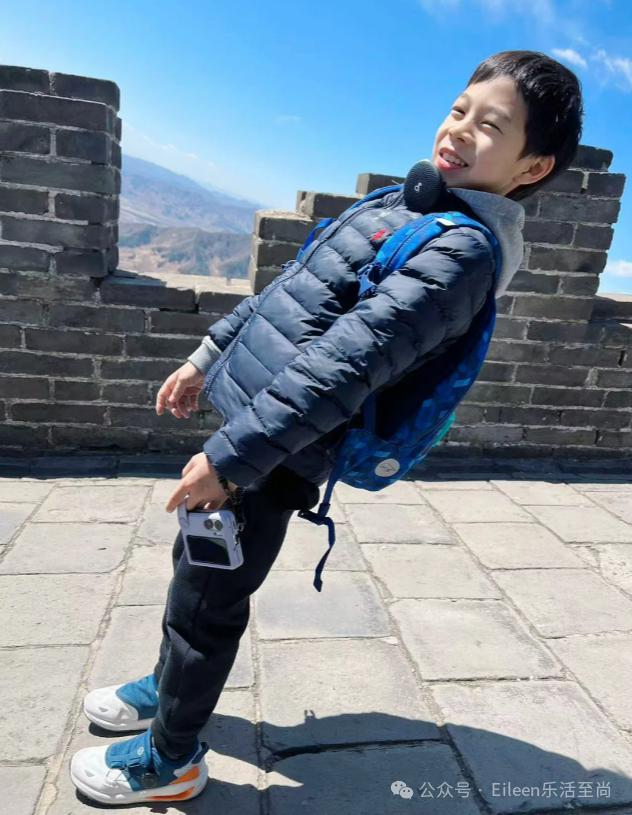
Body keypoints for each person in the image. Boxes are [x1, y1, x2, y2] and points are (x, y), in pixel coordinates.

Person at [70, 49, 583, 805]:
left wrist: (231, 459)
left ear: (532, 167)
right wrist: (207, 356)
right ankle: (167, 684)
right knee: (193, 580)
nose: (459, 130)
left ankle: (171, 759)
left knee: (208, 602)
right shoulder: (404, 202)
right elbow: (288, 291)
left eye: (490, 126)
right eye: (459, 110)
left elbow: (341, 370)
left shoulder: (461, 253)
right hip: (251, 430)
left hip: (275, 454)